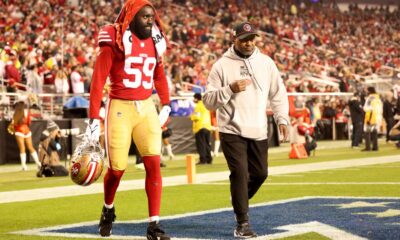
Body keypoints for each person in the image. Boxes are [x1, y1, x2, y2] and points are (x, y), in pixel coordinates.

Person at [85, 1, 171, 239]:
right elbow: (98, 81)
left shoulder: (155, 39)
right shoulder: (115, 38)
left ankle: (154, 225)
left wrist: (166, 102)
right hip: (120, 107)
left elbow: (159, 74)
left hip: (146, 106)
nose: (150, 21)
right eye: (144, 17)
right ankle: (108, 208)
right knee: (117, 170)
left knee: (154, 164)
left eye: (151, 16)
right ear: (131, 17)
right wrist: (94, 119)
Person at [203, 22, 289, 238]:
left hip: (258, 128)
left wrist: (282, 119)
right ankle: (242, 223)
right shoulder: (221, 66)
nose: (249, 43)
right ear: (235, 39)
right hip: (231, 129)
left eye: (252, 38)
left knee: (260, 174)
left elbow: (278, 94)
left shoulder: (266, 63)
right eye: (244, 39)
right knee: (240, 174)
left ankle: (238, 199)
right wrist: (229, 89)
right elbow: (208, 102)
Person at [10, 101, 42, 171]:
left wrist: (12, 128)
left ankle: (24, 166)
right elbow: (29, 122)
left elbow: (13, 124)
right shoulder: (27, 112)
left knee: (22, 149)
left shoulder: (16, 113)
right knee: (31, 147)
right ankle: (38, 163)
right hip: (27, 131)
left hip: (19, 131)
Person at [190, 93, 213, 165]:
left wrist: (191, 116)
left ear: (196, 98)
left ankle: (203, 160)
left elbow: (197, 117)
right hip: (207, 127)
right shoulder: (205, 105)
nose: (193, 100)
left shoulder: (198, 106)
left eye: (194, 98)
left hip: (200, 127)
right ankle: (209, 159)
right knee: (207, 144)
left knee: (201, 145)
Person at [362, 86, 383, 151]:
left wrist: (368, 119)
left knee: (367, 132)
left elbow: (366, 108)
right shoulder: (378, 98)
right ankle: (375, 147)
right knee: (375, 132)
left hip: (371, 116)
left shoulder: (370, 98)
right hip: (378, 116)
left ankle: (368, 147)